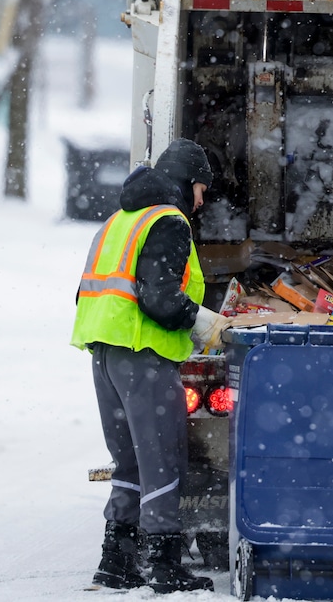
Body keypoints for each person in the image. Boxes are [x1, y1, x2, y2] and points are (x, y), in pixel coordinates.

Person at [71, 138, 230, 592]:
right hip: (143, 354)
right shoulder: (168, 220)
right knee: (161, 459)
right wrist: (203, 322)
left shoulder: (118, 220)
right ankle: (164, 563)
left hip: (104, 353)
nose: (201, 202)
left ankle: (116, 559)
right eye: (202, 189)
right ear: (188, 180)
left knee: (128, 462)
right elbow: (160, 298)